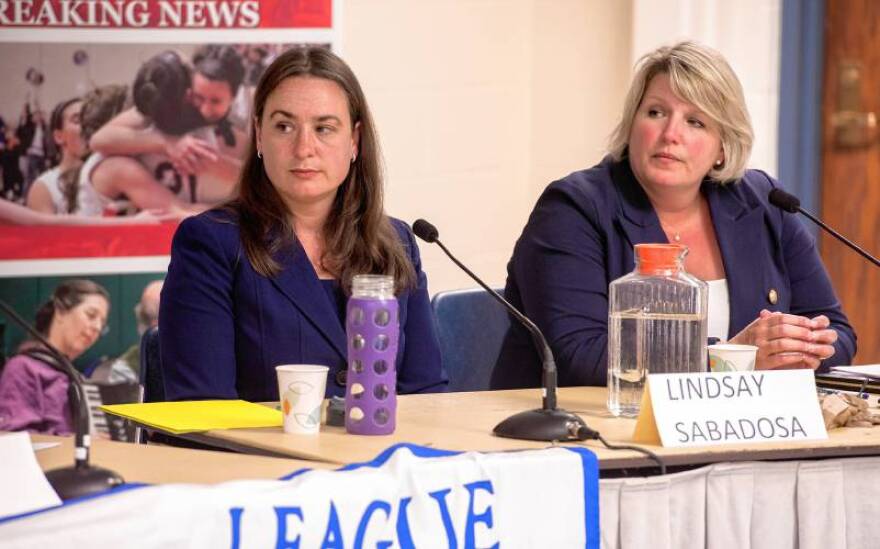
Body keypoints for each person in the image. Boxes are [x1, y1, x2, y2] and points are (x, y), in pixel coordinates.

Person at [491, 41, 857, 390]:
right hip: (591, 437)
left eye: (695, 122)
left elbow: (838, 333)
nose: (670, 134)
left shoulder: (763, 203)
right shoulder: (573, 209)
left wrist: (801, 346)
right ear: (632, 125)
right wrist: (731, 359)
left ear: (722, 148)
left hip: (734, 430)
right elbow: (580, 353)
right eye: (655, 112)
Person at [160, 47, 447, 401]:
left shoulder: (396, 241)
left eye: (324, 128)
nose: (304, 148)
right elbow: (202, 408)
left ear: (354, 141)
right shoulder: (211, 242)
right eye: (284, 126)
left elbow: (426, 395)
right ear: (260, 136)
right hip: (263, 456)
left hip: (383, 453)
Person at [0, 280, 109, 435]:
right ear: (60, 312)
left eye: (102, 323)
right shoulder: (22, 368)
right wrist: (80, 442)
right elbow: (16, 439)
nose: (97, 327)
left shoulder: (77, 377)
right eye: (91, 315)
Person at [25, 97, 86, 214]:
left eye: (91, 119)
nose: (87, 126)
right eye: (77, 120)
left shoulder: (110, 176)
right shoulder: (45, 187)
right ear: (59, 136)